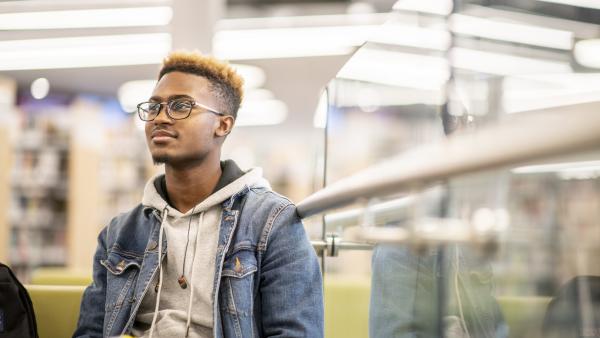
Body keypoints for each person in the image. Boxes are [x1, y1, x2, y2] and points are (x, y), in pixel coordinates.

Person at [73, 51, 324, 338]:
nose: (160, 118)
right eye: (154, 108)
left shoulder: (272, 222)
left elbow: (296, 333)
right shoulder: (120, 232)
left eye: (181, 106)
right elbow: (89, 332)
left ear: (223, 124)